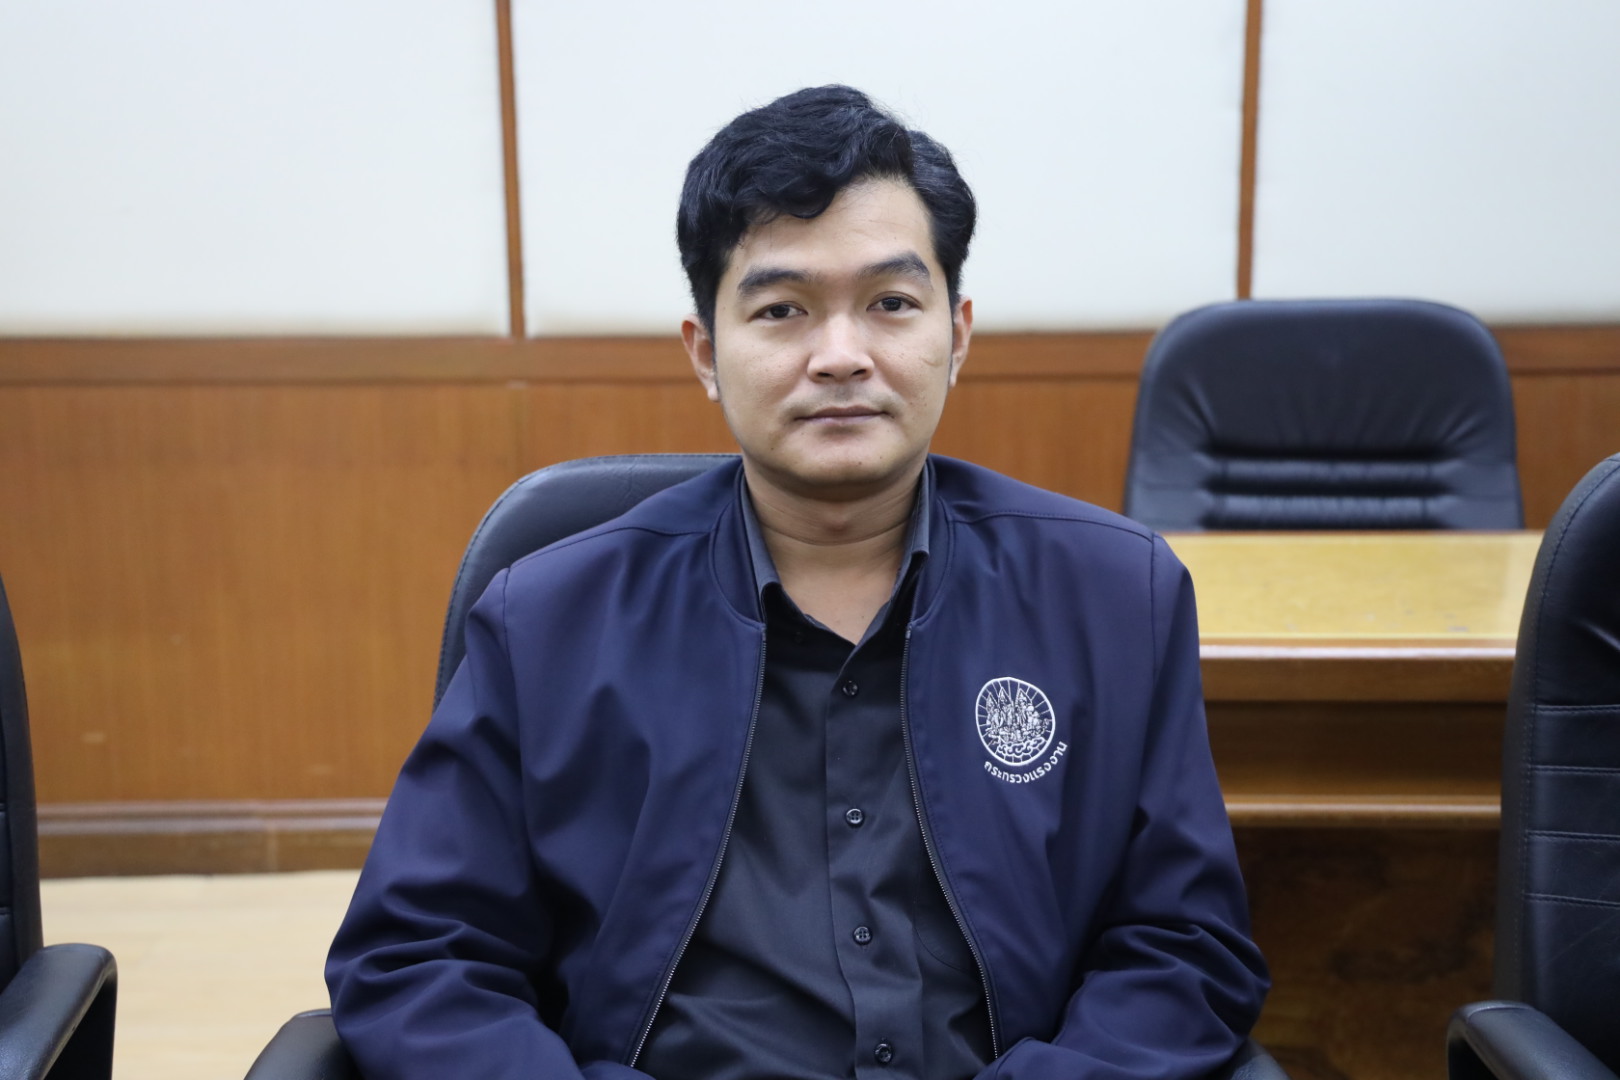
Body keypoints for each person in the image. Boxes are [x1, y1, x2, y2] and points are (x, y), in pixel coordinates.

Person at [326, 84, 1269, 1080]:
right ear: (705, 352)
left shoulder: (1114, 597)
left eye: (891, 304)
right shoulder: (548, 621)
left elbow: (1184, 947)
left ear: (957, 335)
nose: (841, 357)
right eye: (782, 310)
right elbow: (417, 957)